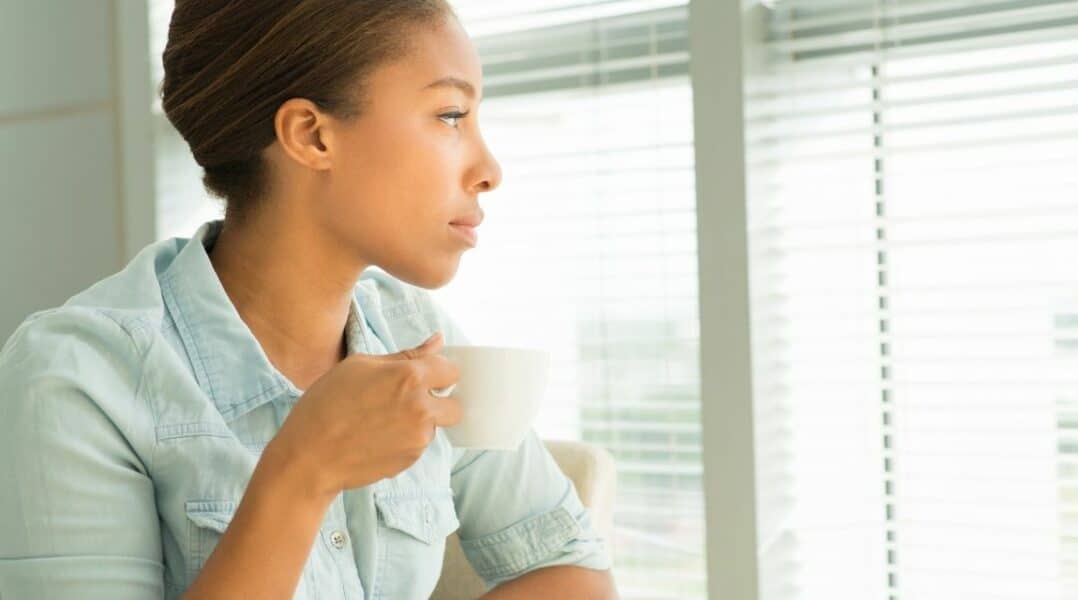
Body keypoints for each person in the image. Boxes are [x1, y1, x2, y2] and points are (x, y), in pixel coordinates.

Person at [0, 1, 617, 598]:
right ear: (311, 135)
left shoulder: (419, 332)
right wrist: (302, 471)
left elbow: (573, 575)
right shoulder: (77, 377)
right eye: (451, 116)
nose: (489, 169)